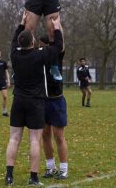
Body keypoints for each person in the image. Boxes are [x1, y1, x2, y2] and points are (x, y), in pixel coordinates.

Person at [5, 11, 63, 186]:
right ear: (33, 42)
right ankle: (33, 177)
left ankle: (9, 176)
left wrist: (22, 24)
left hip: (18, 101)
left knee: (14, 139)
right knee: (34, 140)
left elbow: (14, 42)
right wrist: (57, 27)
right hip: (36, 103)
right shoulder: (40, 55)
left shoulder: (14, 55)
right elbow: (58, 46)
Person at [38, 35, 69, 180]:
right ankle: (51, 167)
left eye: (42, 46)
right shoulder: (39, 57)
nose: (41, 48)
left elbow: (61, 43)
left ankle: (64, 169)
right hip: (43, 101)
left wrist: (57, 24)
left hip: (57, 101)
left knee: (59, 136)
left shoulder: (57, 55)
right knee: (45, 134)